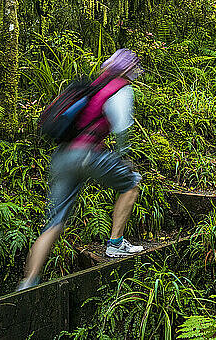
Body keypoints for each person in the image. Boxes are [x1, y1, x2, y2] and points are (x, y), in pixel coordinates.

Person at [17, 49, 144, 291]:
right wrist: (124, 156)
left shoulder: (93, 87)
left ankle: (28, 282)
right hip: (87, 155)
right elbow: (121, 130)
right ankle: (115, 243)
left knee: (54, 221)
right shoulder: (120, 89)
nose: (137, 72)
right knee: (131, 184)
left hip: (63, 156)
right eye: (135, 68)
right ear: (127, 70)